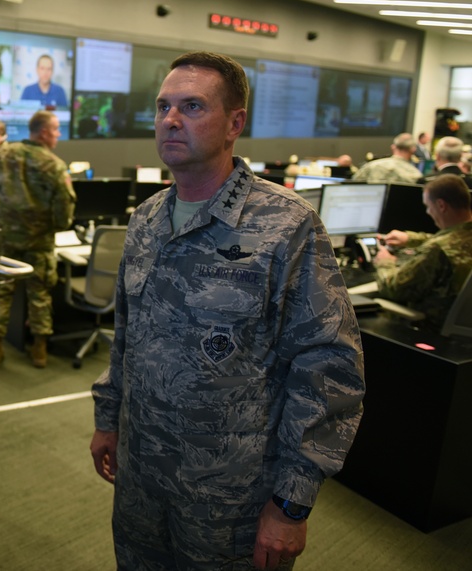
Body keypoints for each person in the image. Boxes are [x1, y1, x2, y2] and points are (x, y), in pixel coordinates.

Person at [89, 51, 365, 570]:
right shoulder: (147, 218)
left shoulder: (288, 225)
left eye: (192, 106)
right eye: (163, 107)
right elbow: (127, 335)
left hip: (229, 500)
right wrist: (109, 419)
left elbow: (329, 370)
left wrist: (291, 504)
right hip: (141, 478)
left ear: (235, 123)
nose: (171, 120)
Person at [0, 110, 76, 368]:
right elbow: (64, 215)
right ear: (43, 132)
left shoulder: (3, 155)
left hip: (5, 239)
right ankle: (39, 351)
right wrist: (52, 226)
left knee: (1, 293)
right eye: (55, 130)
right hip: (39, 242)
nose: (58, 135)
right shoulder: (55, 165)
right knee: (40, 294)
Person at [374, 175, 472, 329]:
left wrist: (385, 262)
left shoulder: (437, 250)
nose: (427, 212)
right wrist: (409, 238)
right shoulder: (460, 238)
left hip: (428, 327)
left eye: (428, 206)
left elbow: (393, 288)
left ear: (441, 205)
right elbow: (451, 238)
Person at [350, 133, 422, 184]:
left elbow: (353, 185)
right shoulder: (415, 175)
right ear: (413, 150)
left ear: (393, 147)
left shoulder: (371, 166)